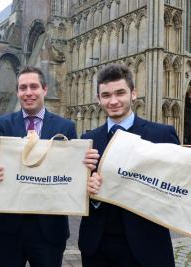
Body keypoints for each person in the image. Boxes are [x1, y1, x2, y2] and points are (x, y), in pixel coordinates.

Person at [0, 66, 99, 267]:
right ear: (17, 92)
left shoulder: (64, 127)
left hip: (49, 227)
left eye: (34, 86)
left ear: (44, 90)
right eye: (23, 88)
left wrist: (85, 165)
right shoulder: (4, 124)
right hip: (9, 226)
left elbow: (71, 172)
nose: (28, 92)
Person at [80, 63, 178, 267]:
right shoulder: (88, 139)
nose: (113, 101)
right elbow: (76, 193)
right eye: (106, 95)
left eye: (120, 93)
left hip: (147, 246)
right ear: (99, 99)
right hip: (97, 247)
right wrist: (88, 190)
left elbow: (176, 189)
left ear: (133, 94)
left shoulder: (161, 135)